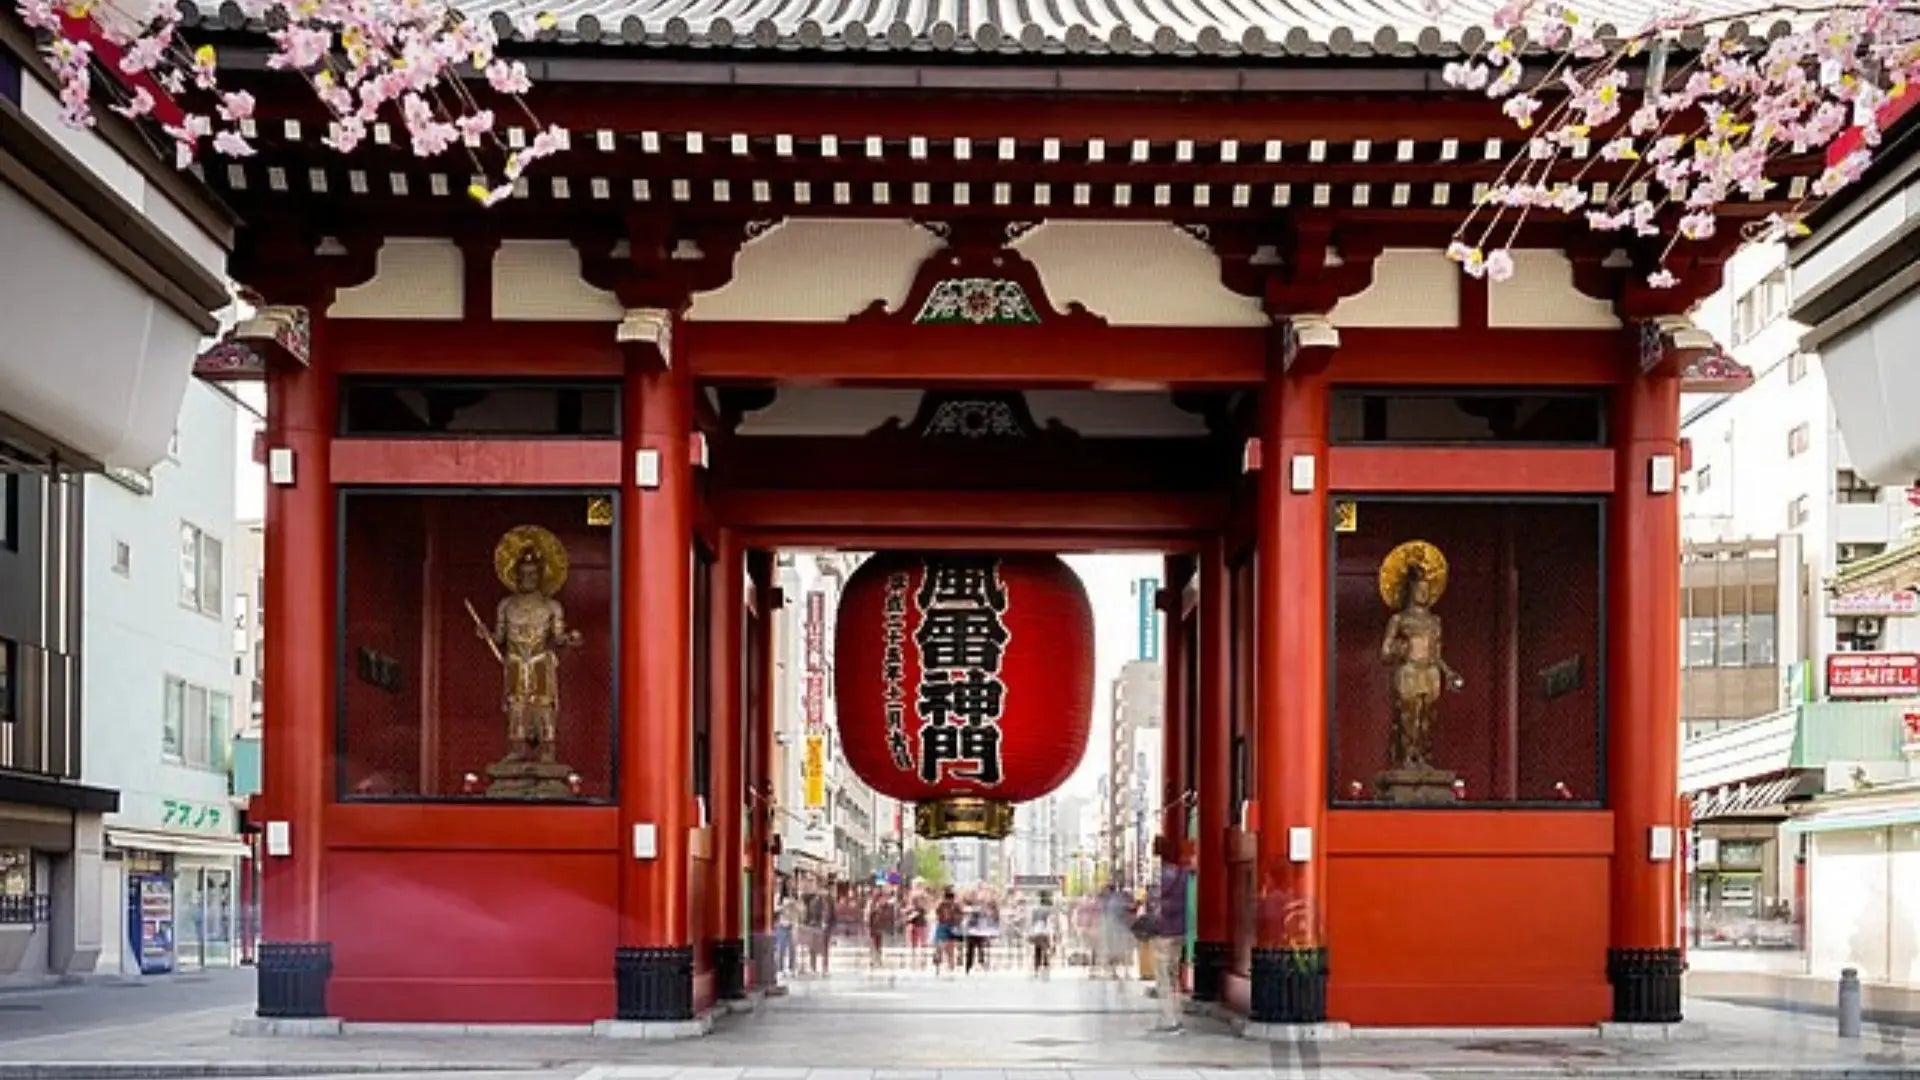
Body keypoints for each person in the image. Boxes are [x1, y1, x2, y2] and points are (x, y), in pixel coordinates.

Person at [1148, 839, 1192, 1033]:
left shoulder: (1159, 875)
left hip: (1163, 931)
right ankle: (1177, 1015)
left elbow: (1155, 902)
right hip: (1179, 929)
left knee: (1163, 977)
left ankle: (1169, 1020)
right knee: (1174, 976)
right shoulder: (1182, 874)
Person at [1028, 890, 1059, 978]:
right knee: (1045, 949)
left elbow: (1032, 922)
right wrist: (1053, 936)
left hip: (1036, 931)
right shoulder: (1050, 909)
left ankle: (1036, 968)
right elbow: (1050, 923)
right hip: (1045, 931)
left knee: (1037, 949)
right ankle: (1045, 966)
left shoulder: (1035, 909)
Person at [933, 887, 962, 976]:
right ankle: (949, 966)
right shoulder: (947, 904)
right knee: (948, 948)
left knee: (946, 947)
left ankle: (948, 965)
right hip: (948, 926)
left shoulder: (942, 904)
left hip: (946, 926)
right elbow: (960, 915)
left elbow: (937, 914)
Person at [775, 887, 803, 975]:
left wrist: (795, 905)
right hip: (782, 925)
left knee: (793, 948)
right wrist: (784, 906)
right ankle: (780, 969)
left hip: (793, 925)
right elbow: (775, 909)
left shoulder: (797, 899)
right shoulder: (778, 897)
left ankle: (792, 968)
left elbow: (802, 911)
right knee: (781, 948)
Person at [866, 888, 895, 969]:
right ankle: (873, 959)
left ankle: (877, 958)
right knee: (873, 943)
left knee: (878, 943)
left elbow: (887, 916)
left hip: (878, 926)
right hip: (873, 926)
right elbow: (868, 915)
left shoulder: (883, 904)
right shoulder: (872, 904)